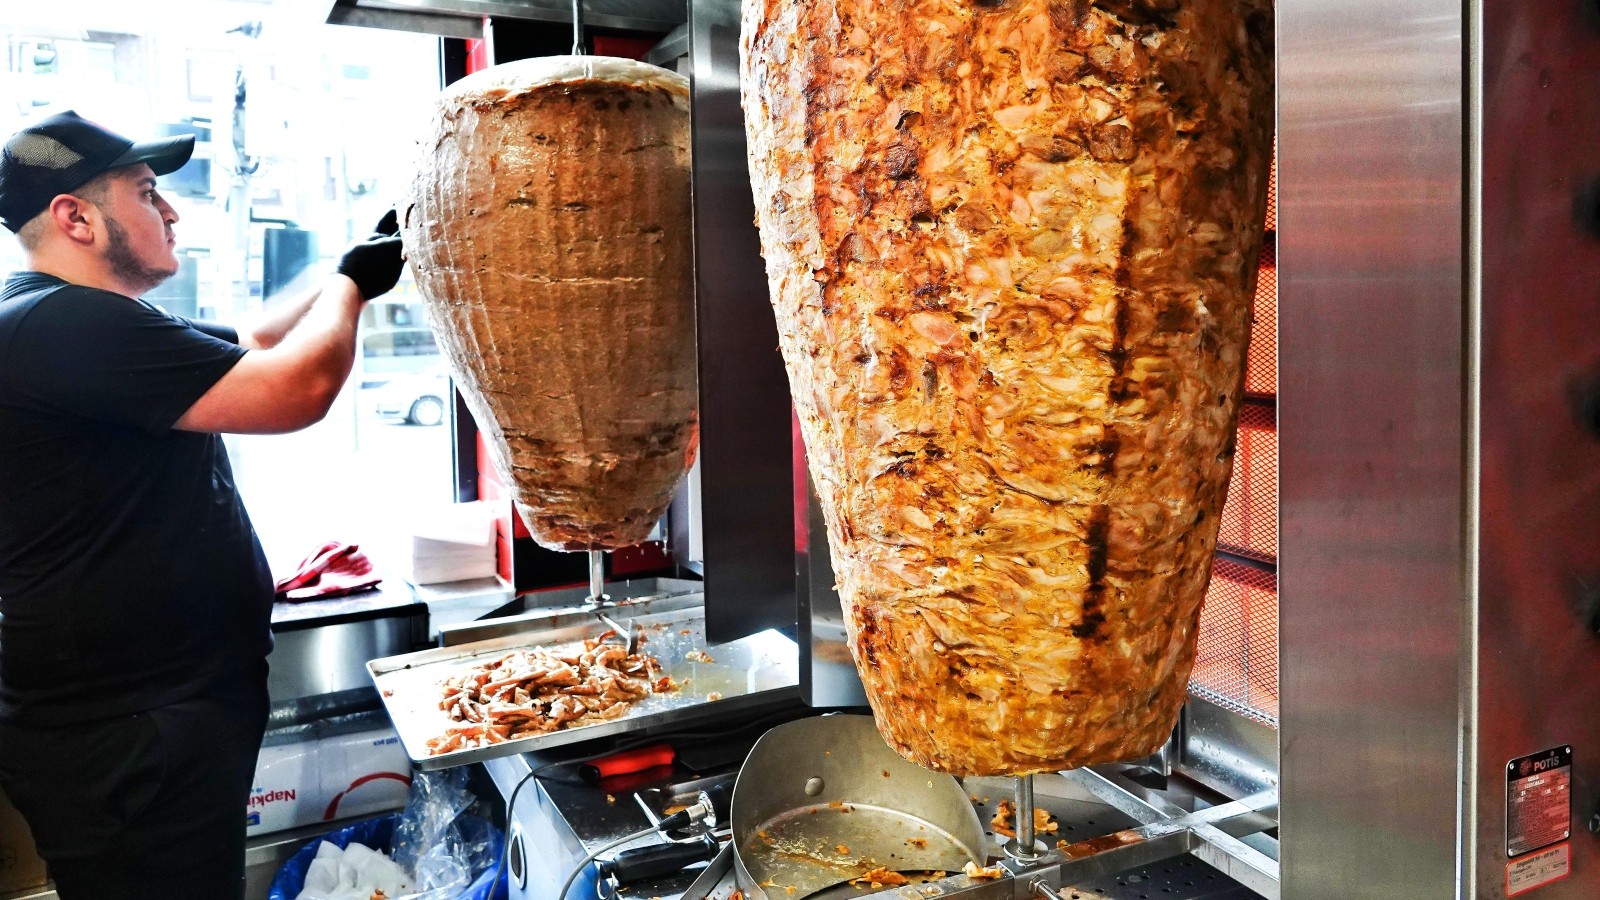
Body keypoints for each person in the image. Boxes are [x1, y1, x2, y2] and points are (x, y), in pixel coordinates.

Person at [0, 110, 405, 898]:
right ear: (74, 216)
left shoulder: (85, 319)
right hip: (130, 732)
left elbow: (255, 345)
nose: (174, 211)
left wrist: (354, 263)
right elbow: (296, 387)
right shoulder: (60, 326)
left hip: (153, 715)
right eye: (150, 193)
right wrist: (354, 285)